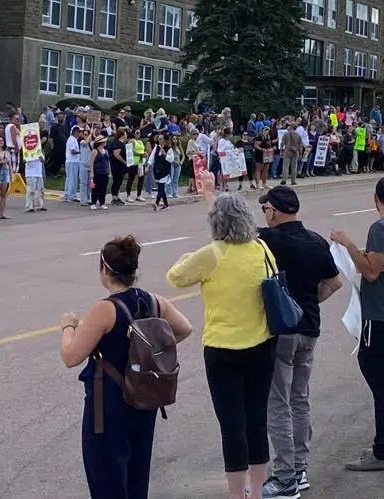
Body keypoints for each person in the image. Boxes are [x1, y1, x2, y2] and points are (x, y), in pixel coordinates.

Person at [61, 236, 194, 499]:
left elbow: (71, 356)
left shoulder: (105, 309)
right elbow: (185, 328)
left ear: (104, 270)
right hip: (144, 397)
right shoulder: (154, 301)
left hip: (109, 404)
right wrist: (151, 351)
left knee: (107, 480)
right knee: (136, 478)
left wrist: (68, 326)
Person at [168, 194, 276, 499]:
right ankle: (256, 491)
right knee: (257, 418)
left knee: (232, 425)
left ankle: (234, 493)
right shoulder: (261, 248)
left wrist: (185, 257)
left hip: (223, 349)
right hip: (262, 344)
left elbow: (175, 277)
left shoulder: (213, 253)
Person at [257, 187, 342, 498]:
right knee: (299, 398)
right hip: (309, 328)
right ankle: (300, 468)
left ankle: (284, 476)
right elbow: (334, 281)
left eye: (266, 209)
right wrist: (308, 302)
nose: (265, 214)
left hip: (281, 330)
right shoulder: (316, 240)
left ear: (275, 211)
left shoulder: (268, 239)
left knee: (277, 403)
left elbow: (231, 232)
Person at [329, 176, 384, 473]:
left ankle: (382, 449)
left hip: (379, 315)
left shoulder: (380, 227)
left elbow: (372, 271)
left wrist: (348, 244)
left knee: (380, 383)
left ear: (375, 198)